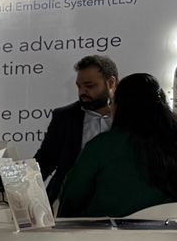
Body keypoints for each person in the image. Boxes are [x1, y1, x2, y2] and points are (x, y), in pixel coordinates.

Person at [60, 72, 177, 218]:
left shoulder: (102, 147)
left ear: (122, 107)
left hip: (108, 231)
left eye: (112, 102)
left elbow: (71, 197)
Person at [35, 55, 119, 198]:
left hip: (118, 200)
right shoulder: (64, 117)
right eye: (79, 86)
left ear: (111, 83)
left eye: (89, 86)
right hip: (69, 201)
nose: (82, 92)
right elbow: (45, 160)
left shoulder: (131, 118)